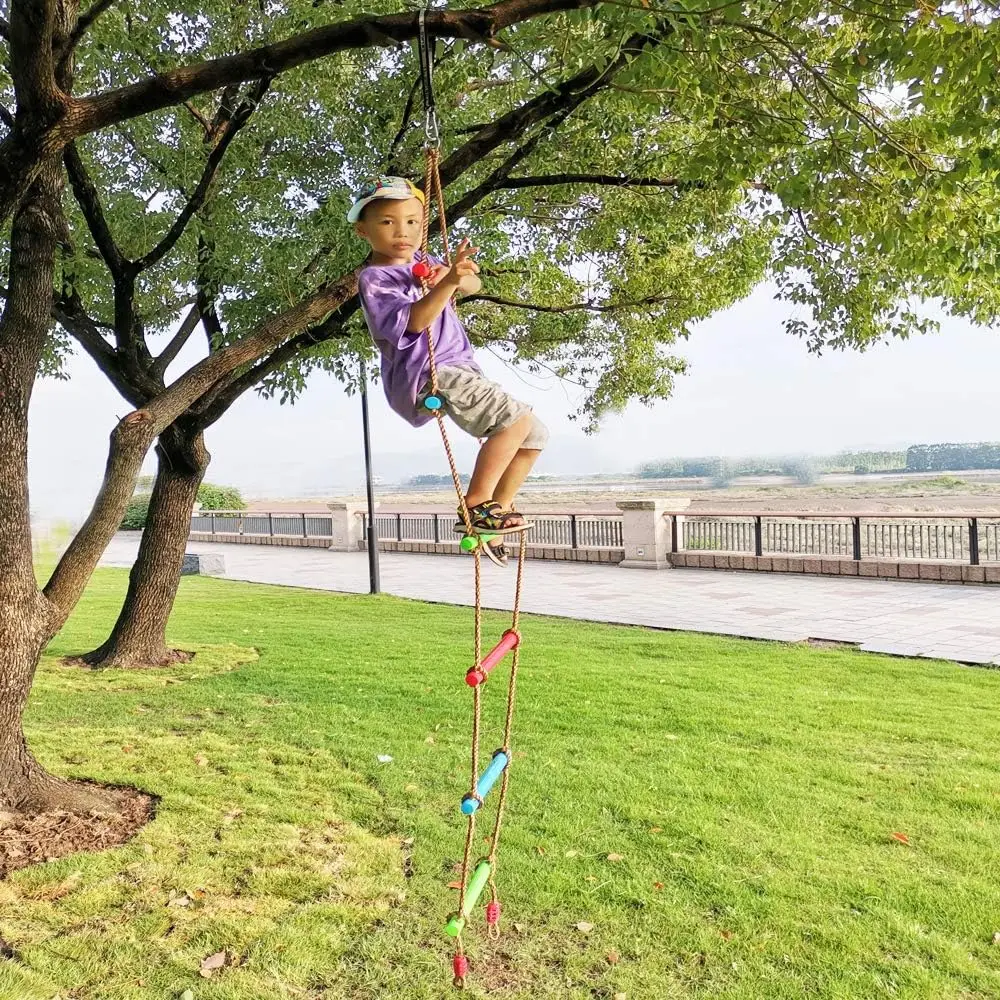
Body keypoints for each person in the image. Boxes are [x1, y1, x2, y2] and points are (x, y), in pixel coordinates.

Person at [348, 176, 547, 565]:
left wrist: (456, 275)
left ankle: (496, 512)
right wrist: (448, 283)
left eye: (411, 222)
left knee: (534, 434)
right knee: (516, 421)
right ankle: (475, 503)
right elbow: (416, 321)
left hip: (459, 367)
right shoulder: (375, 279)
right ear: (363, 230)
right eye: (388, 222)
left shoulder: (424, 263)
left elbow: (472, 282)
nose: (402, 231)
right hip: (429, 372)